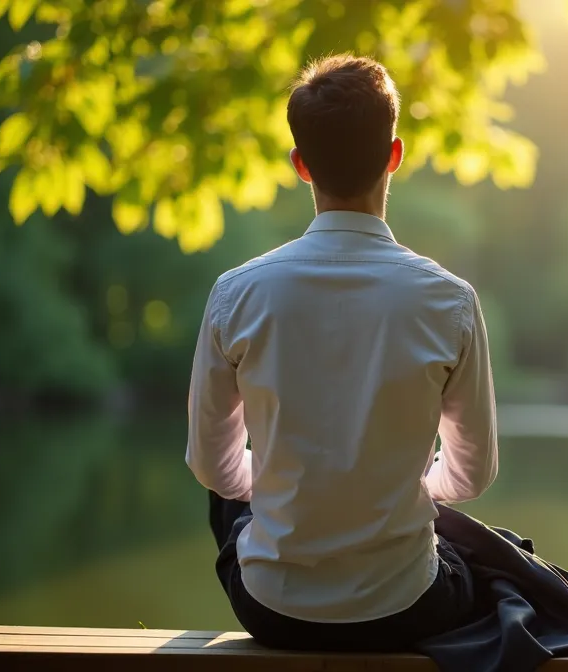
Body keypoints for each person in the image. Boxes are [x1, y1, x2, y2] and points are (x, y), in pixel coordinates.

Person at [185, 54, 498, 652]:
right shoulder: (449, 300)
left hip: (272, 609)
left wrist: (286, 488)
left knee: (226, 479)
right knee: (479, 556)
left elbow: (213, 468)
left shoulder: (237, 292)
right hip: (407, 606)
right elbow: (472, 473)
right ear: (394, 156)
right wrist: (398, 490)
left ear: (301, 165)